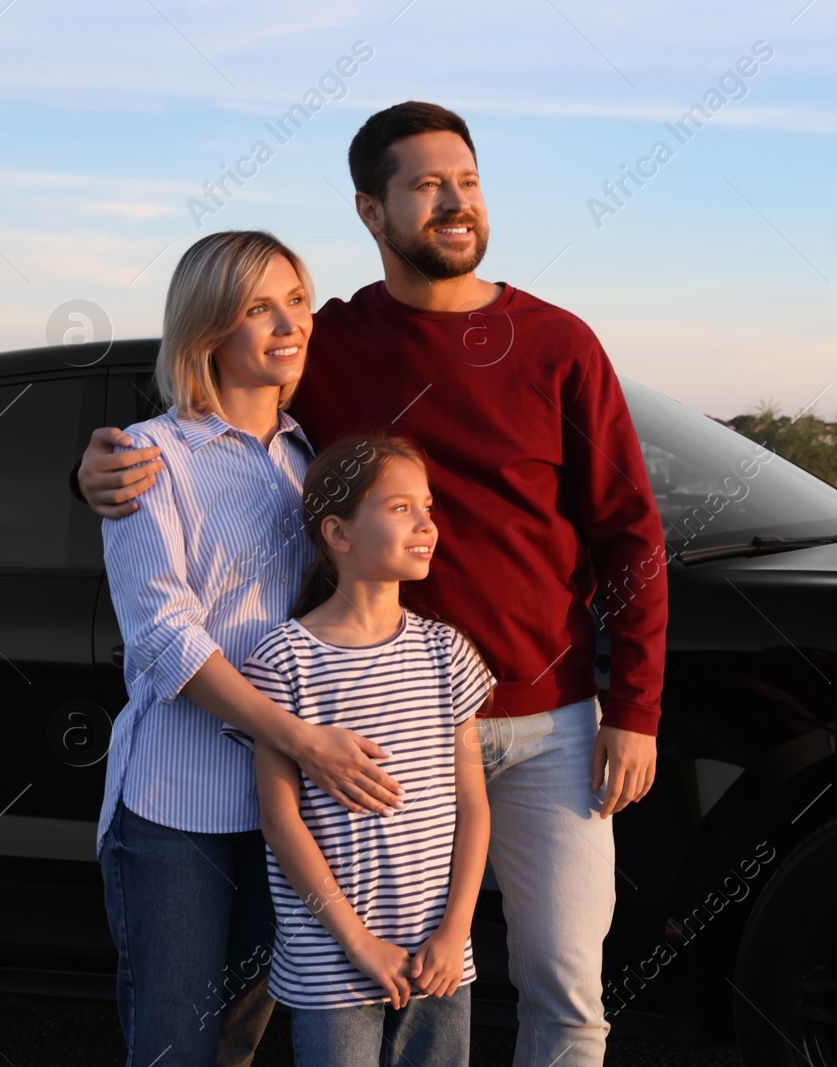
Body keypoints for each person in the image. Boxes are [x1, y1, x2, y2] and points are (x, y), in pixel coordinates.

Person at [75, 102, 668, 1067]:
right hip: (372, 722)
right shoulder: (334, 346)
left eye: (467, 181)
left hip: (547, 718)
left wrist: (634, 705)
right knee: (327, 988)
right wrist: (93, 472)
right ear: (372, 210)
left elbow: (631, 530)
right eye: (427, 185)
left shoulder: (557, 343)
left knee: (558, 990)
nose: (454, 202)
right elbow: (201, 422)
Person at [96, 230, 407, 1067]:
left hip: (290, 810)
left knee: (237, 1041)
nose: (288, 323)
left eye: (297, 302)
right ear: (208, 330)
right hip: (176, 808)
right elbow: (165, 637)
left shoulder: (316, 459)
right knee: (175, 1047)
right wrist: (302, 737)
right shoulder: (147, 455)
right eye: (258, 307)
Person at [226, 433, 492, 1067]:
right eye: (400, 508)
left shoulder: (445, 654)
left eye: (428, 507)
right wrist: (357, 943)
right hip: (333, 961)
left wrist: (455, 934)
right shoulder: (282, 661)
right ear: (338, 534)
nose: (426, 524)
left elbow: (474, 809)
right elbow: (280, 821)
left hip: (439, 956)